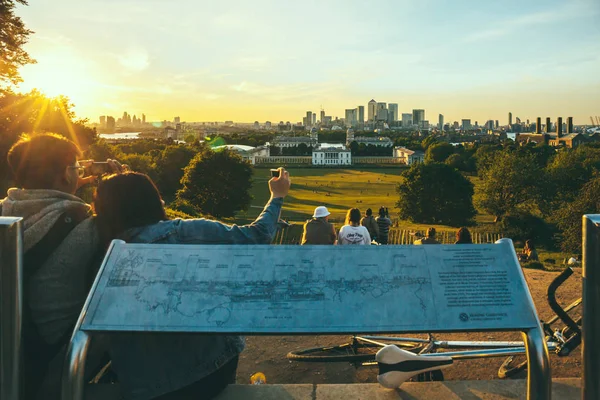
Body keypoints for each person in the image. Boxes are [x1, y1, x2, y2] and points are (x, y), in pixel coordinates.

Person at [93, 169, 291, 400]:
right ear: (154, 201)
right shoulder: (184, 232)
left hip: (142, 383)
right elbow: (256, 236)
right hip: (207, 372)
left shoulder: (100, 247)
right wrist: (277, 196)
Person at [0, 133, 122, 399]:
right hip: (57, 370)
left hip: (6, 363)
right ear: (67, 174)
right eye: (76, 168)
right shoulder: (86, 227)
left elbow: (47, 201)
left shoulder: (5, 213)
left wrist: (80, 179)